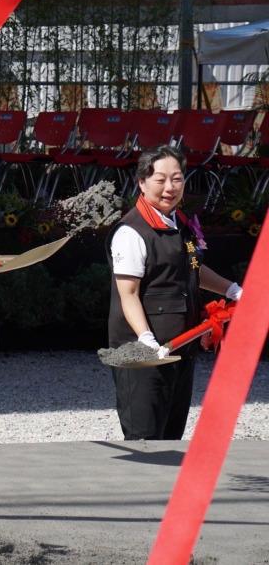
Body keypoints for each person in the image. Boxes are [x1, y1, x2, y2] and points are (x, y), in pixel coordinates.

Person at [107, 145, 243, 440]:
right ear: (142, 183)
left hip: (181, 346)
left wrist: (233, 290)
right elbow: (128, 294)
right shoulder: (131, 232)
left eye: (177, 179)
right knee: (145, 437)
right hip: (144, 353)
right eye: (161, 179)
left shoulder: (181, 224)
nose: (170, 187)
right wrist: (145, 339)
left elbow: (193, 269)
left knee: (171, 436)